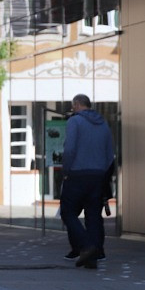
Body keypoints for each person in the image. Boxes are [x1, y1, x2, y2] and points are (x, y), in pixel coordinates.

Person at [59, 94, 115, 270]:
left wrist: (66, 170)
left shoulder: (75, 122)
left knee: (68, 212)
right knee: (93, 216)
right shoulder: (104, 123)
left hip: (77, 174)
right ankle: (94, 255)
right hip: (98, 175)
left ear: (76, 105)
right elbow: (109, 154)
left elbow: (69, 149)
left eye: (72, 106)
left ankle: (85, 246)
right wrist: (101, 172)